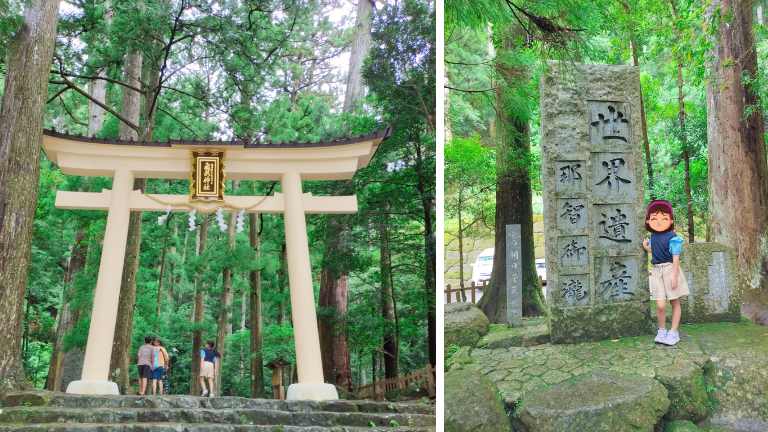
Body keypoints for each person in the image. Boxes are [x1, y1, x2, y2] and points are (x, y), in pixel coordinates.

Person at [642, 199, 689, 346]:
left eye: (664, 218)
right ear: (648, 221)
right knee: (660, 304)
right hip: (656, 271)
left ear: (671, 221)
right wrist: (647, 248)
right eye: (654, 218)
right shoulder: (653, 237)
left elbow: (676, 258)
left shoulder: (673, 238)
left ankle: (674, 332)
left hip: (670, 269)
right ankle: (661, 330)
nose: (659, 222)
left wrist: (674, 276)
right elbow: (656, 251)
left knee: (674, 301)